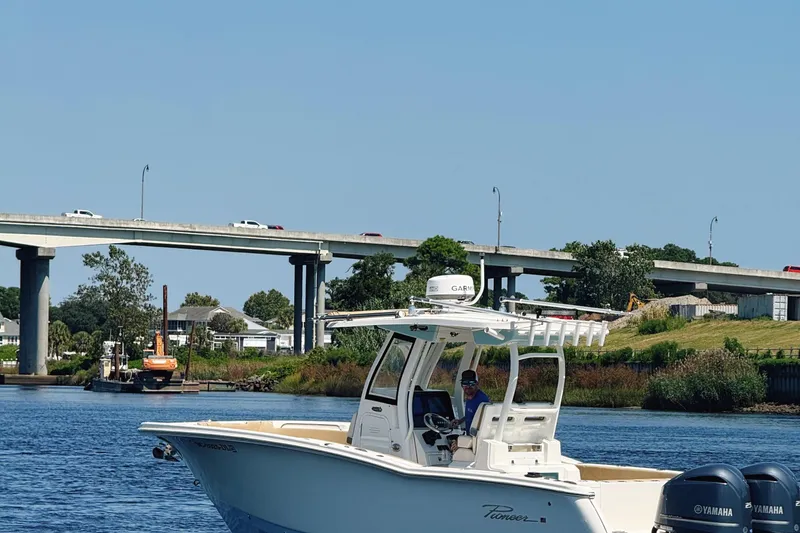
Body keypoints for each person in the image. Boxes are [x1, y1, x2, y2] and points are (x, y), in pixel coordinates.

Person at [449, 369, 490, 452]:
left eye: (471, 383)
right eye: (464, 383)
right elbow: (474, 414)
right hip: (470, 438)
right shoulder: (470, 397)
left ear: (477, 384)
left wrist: (461, 442)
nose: (467, 387)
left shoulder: (482, 401)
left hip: (476, 443)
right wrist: (460, 421)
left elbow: (483, 426)